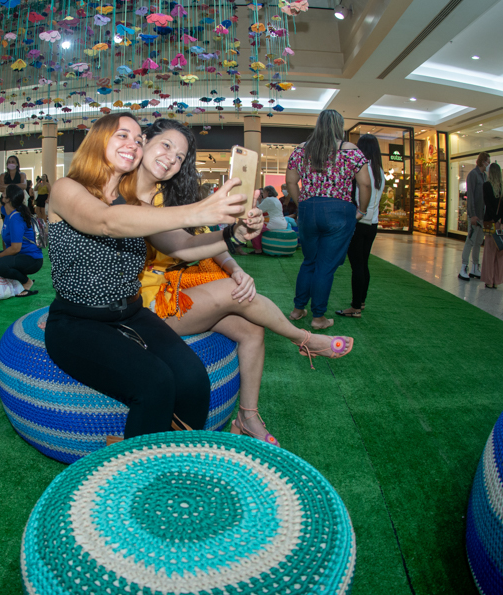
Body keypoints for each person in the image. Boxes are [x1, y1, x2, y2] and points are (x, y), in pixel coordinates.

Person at [135, 119, 353, 446]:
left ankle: (247, 417)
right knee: (231, 293)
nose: (172, 158)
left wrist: (236, 266)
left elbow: (198, 242)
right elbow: (179, 245)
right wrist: (226, 230)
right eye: (166, 145)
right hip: (144, 305)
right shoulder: (131, 199)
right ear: (143, 141)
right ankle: (305, 339)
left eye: (180, 156)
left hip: (178, 285)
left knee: (251, 327)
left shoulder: (168, 196)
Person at [44, 112, 256, 439]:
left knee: (194, 379)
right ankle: (139, 476)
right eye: (122, 135)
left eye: (138, 139)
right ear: (99, 138)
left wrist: (233, 234)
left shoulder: (138, 207)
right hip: (77, 322)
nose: (133, 143)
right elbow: (105, 221)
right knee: (155, 383)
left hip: (131, 313)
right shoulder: (65, 189)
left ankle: (177, 459)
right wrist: (200, 210)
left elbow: (184, 247)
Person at [286, 109, 372, 330]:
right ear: (339, 126)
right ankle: (318, 317)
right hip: (339, 210)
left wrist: (302, 203)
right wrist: (361, 210)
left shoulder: (300, 150)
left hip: (308, 209)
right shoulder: (351, 151)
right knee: (325, 266)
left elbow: (291, 183)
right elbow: (365, 184)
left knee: (309, 261)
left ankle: (297, 309)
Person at [336, 133, 386, 316]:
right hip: (372, 224)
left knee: (357, 265)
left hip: (359, 221)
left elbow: (360, 196)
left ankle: (355, 307)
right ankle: (361, 301)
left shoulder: (363, 168)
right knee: (363, 264)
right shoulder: (379, 170)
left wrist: (355, 216)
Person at [0, 184, 44, 297]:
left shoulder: (16, 218)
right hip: (19, 256)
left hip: (32, 259)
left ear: (8, 199)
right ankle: (18, 278)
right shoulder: (9, 212)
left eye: (4, 193)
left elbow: (16, 248)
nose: (2, 193)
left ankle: (26, 282)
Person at [459, 152, 490, 281]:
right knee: (470, 240)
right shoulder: (473, 175)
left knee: (478, 242)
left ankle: (475, 267)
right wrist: (472, 215)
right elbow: (470, 195)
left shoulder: (484, 176)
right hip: (475, 215)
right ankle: (464, 266)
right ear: (483, 162)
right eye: (488, 161)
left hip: (482, 215)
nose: (488, 164)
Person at [480, 163, 503, 289]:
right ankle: (497, 280)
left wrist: (494, 218)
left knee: (489, 251)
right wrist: (501, 220)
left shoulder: (486, 186)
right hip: (502, 223)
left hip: (489, 222)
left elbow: (487, 204)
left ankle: (489, 279)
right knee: (500, 252)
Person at [248, 186, 287, 254]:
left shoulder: (268, 199)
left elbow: (257, 210)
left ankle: (258, 249)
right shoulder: (276, 199)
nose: (263, 195)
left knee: (254, 228)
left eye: (263, 193)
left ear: (267, 192)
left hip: (274, 224)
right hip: (283, 223)